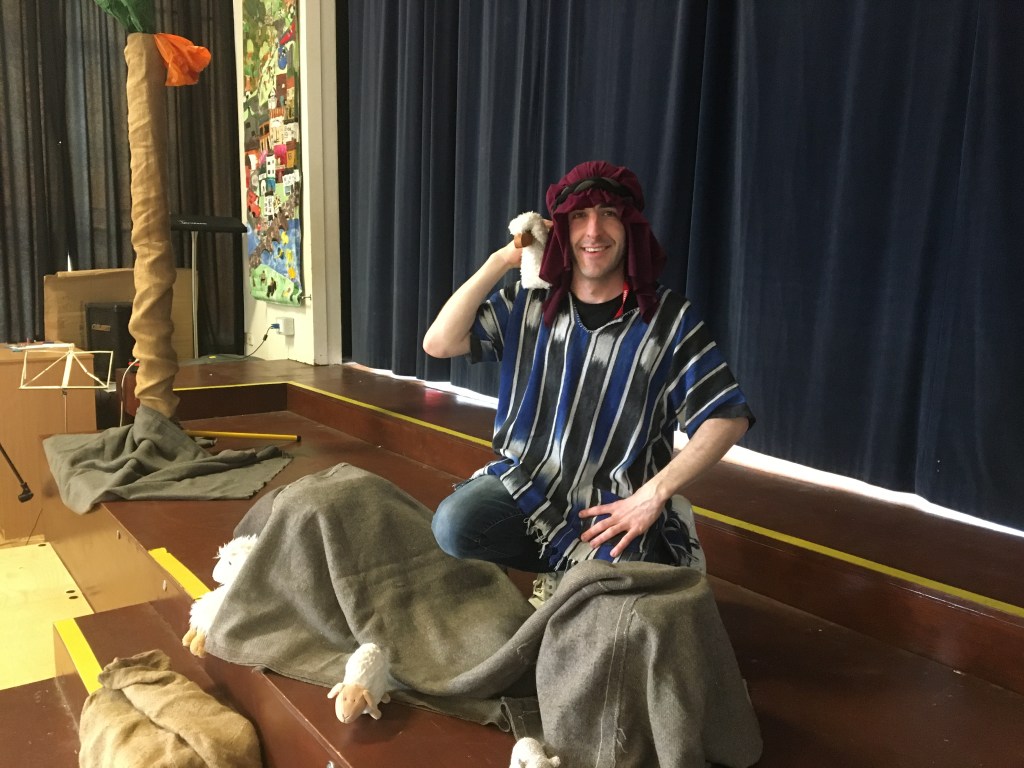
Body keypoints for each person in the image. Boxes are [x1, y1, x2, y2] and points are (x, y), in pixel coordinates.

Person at [422, 160, 754, 605]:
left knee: (617, 604)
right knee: (454, 524)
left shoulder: (668, 320)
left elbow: (727, 416)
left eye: (608, 214)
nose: (593, 231)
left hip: (615, 502)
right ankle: (560, 567)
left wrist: (654, 494)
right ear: (561, 229)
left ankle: (637, 538)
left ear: (630, 227)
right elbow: (439, 343)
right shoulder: (531, 303)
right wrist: (502, 259)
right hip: (529, 487)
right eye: (579, 216)